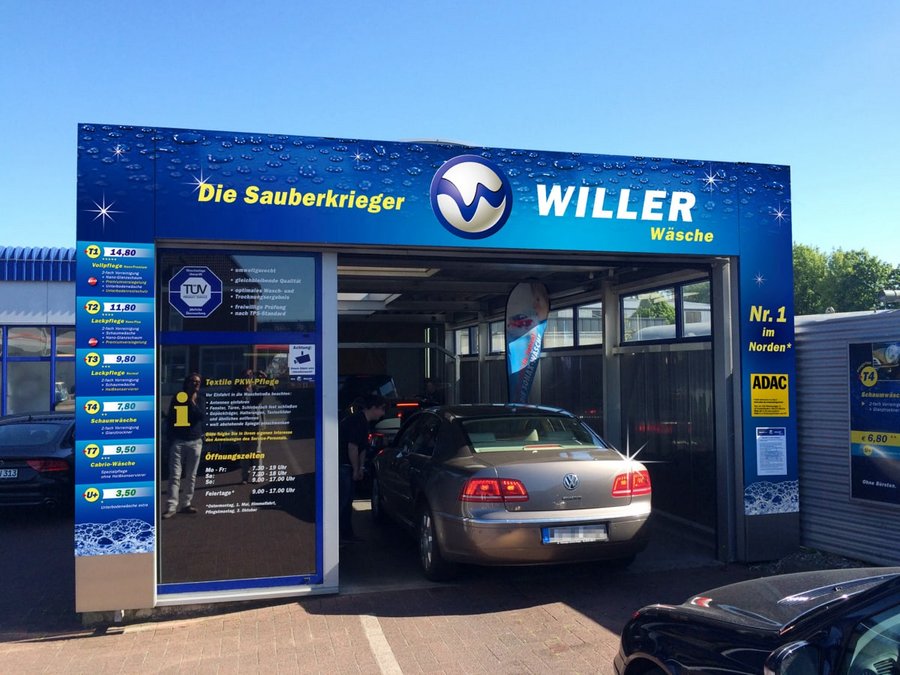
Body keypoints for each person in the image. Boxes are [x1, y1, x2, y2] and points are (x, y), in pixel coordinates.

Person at [337, 393, 386, 541]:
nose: (383, 413)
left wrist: (360, 468)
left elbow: (361, 447)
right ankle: (340, 535)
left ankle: (346, 534)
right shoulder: (358, 422)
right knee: (344, 501)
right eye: (382, 409)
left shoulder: (361, 421)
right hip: (344, 465)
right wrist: (356, 468)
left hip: (347, 465)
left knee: (347, 501)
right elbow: (353, 447)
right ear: (373, 408)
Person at [163, 373, 206, 519]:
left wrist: (192, 402)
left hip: (195, 441)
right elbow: (177, 419)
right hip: (179, 441)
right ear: (187, 383)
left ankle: (186, 503)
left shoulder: (200, 399)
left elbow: (200, 416)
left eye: (198, 382)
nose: (196, 384)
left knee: (191, 476)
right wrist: (171, 439)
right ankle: (171, 507)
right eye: (193, 381)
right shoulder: (179, 397)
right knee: (175, 475)